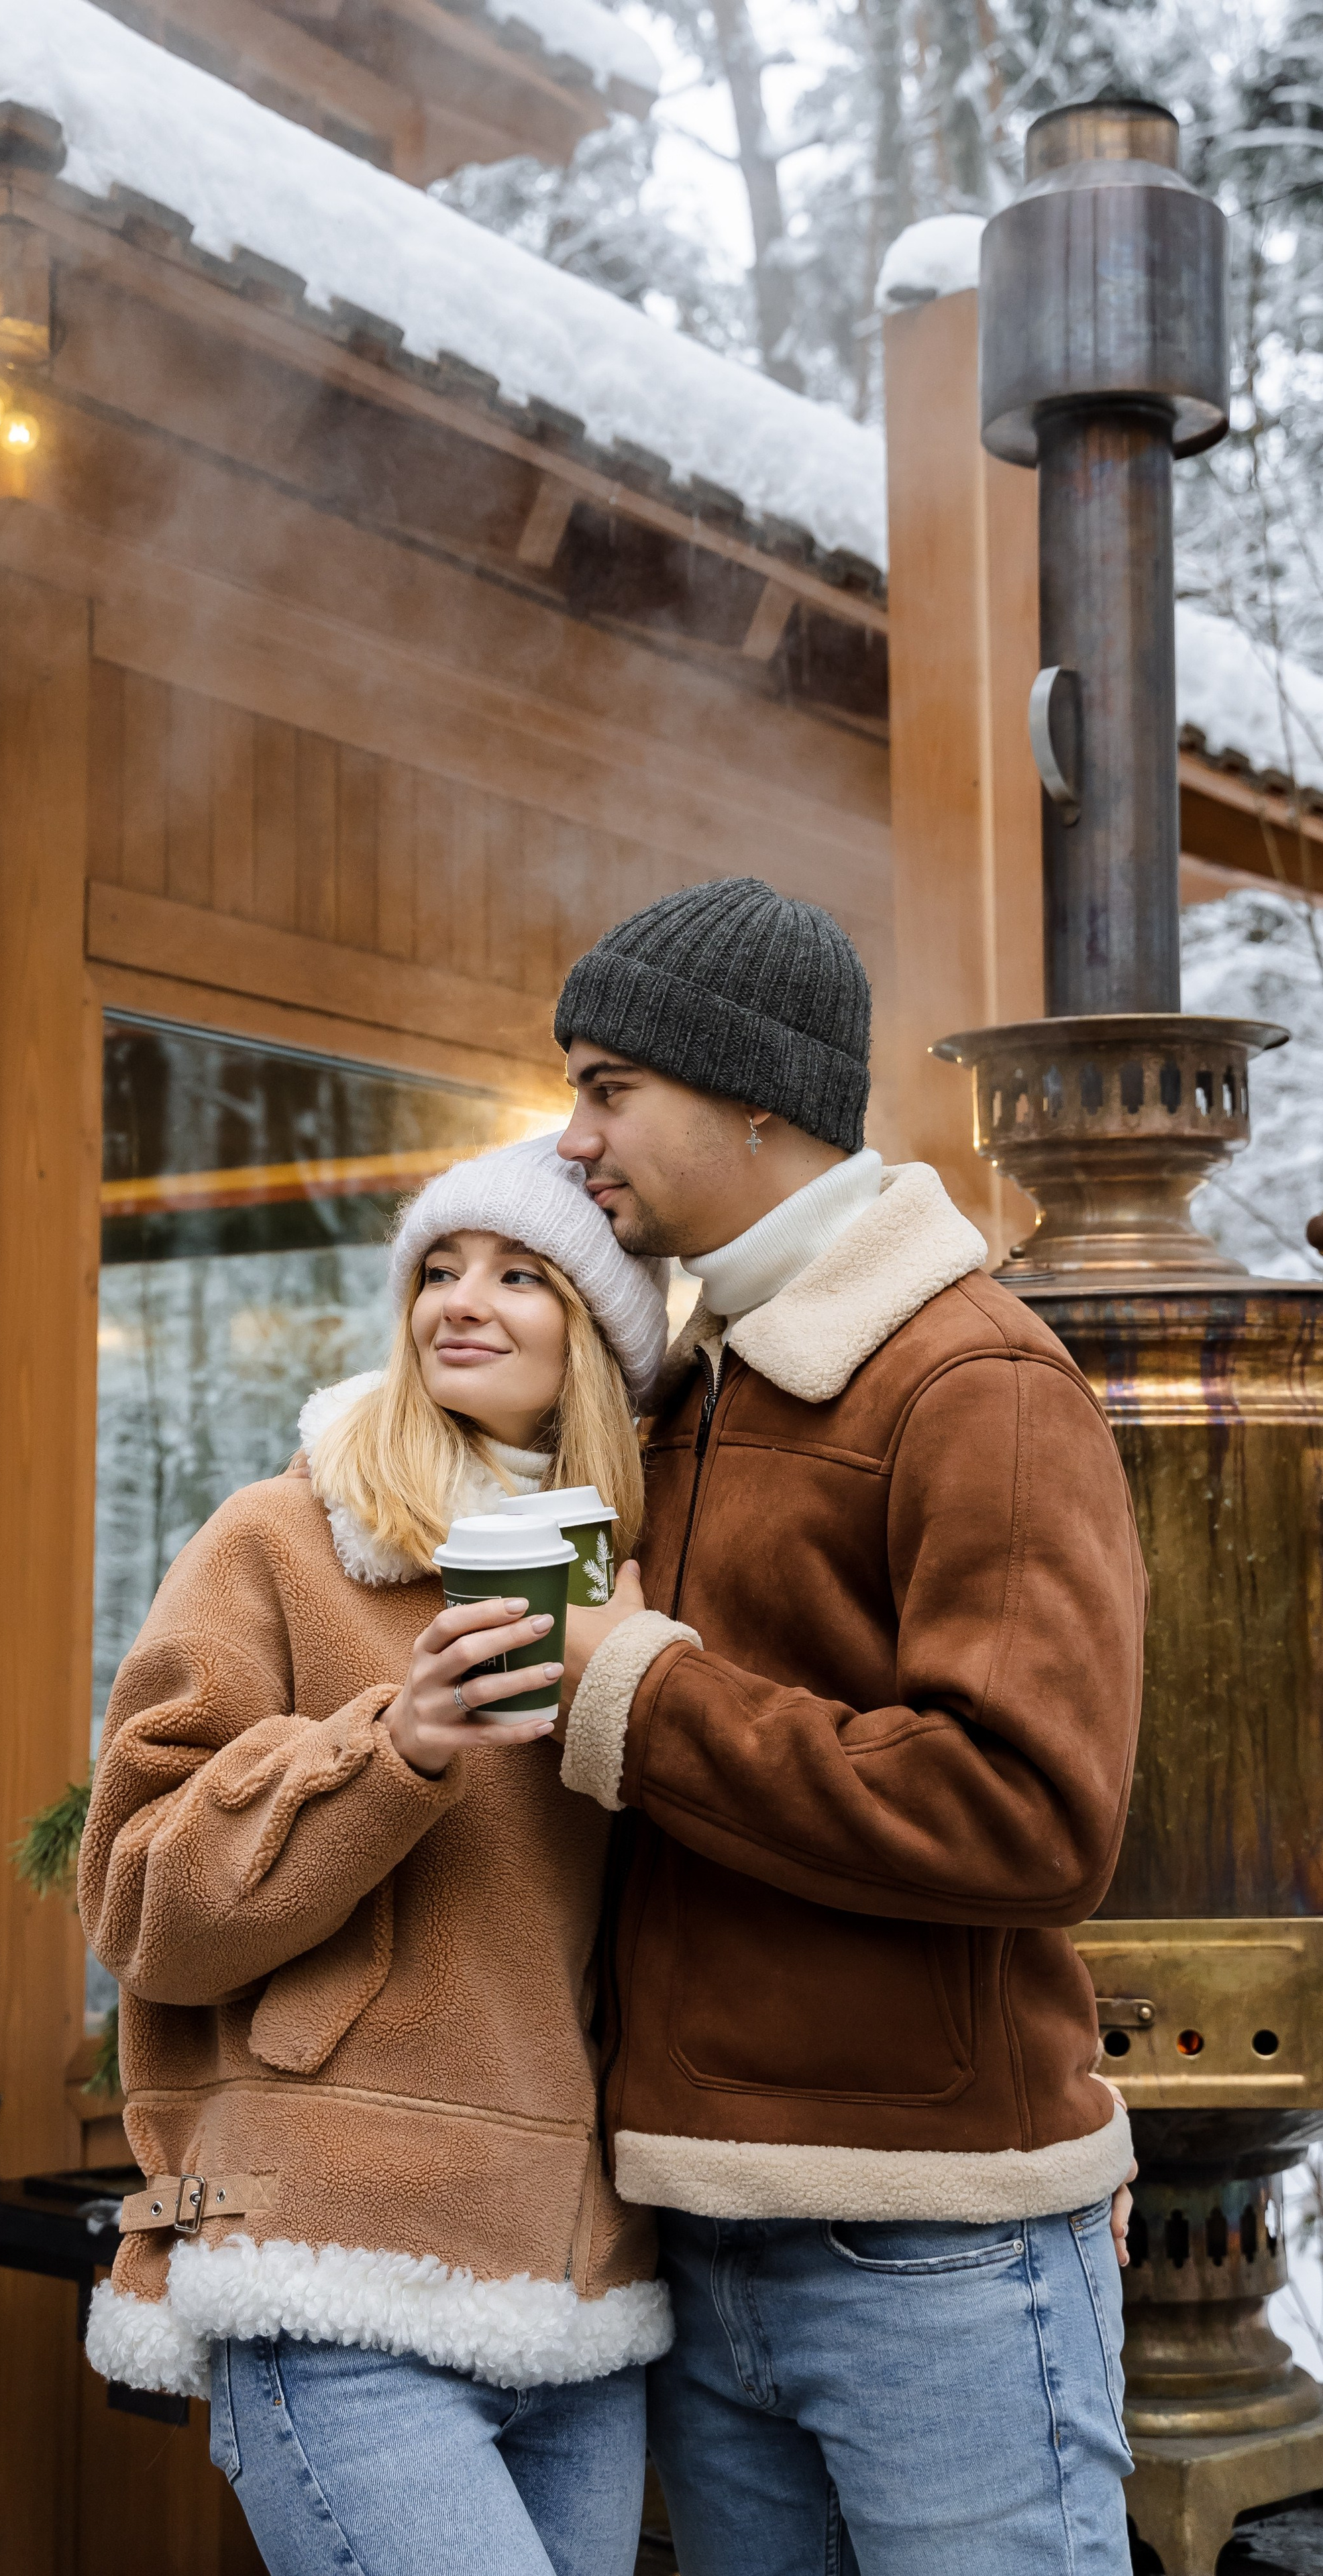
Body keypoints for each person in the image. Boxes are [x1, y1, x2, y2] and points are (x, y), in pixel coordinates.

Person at [547, 877, 1147, 2576]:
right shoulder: (683, 1394)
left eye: (607, 1087)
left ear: (758, 1100)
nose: (573, 1135)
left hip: (930, 2252)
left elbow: (1021, 1809)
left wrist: (636, 1693)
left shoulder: (975, 1386)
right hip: (694, 2226)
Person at [76, 1134, 674, 2576]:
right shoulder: (284, 1539)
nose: (458, 1302)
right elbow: (136, 1897)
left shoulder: (650, 1587)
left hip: (582, 2285)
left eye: (519, 1275)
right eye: (437, 1270)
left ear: (596, 1337)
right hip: (330, 2260)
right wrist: (389, 1747)